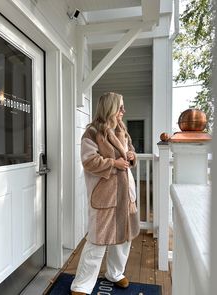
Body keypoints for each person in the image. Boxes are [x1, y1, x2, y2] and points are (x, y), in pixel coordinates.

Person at [71, 92, 140, 295]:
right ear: (109, 108)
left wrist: (131, 155)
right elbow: (89, 160)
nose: (123, 111)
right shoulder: (92, 133)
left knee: (124, 238)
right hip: (106, 196)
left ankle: (115, 273)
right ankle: (82, 284)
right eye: (120, 107)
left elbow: (132, 150)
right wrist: (113, 163)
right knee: (97, 241)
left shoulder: (122, 131)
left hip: (126, 194)